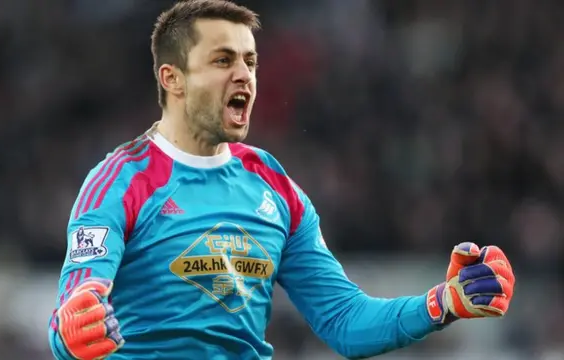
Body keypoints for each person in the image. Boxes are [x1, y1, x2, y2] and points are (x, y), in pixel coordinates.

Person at [47, 1, 516, 359]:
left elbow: (345, 320)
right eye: (223, 60)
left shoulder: (273, 185)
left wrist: (443, 303)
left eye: (250, 61)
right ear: (173, 78)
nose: (244, 76)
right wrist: (73, 330)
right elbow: (76, 305)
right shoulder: (119, 181)